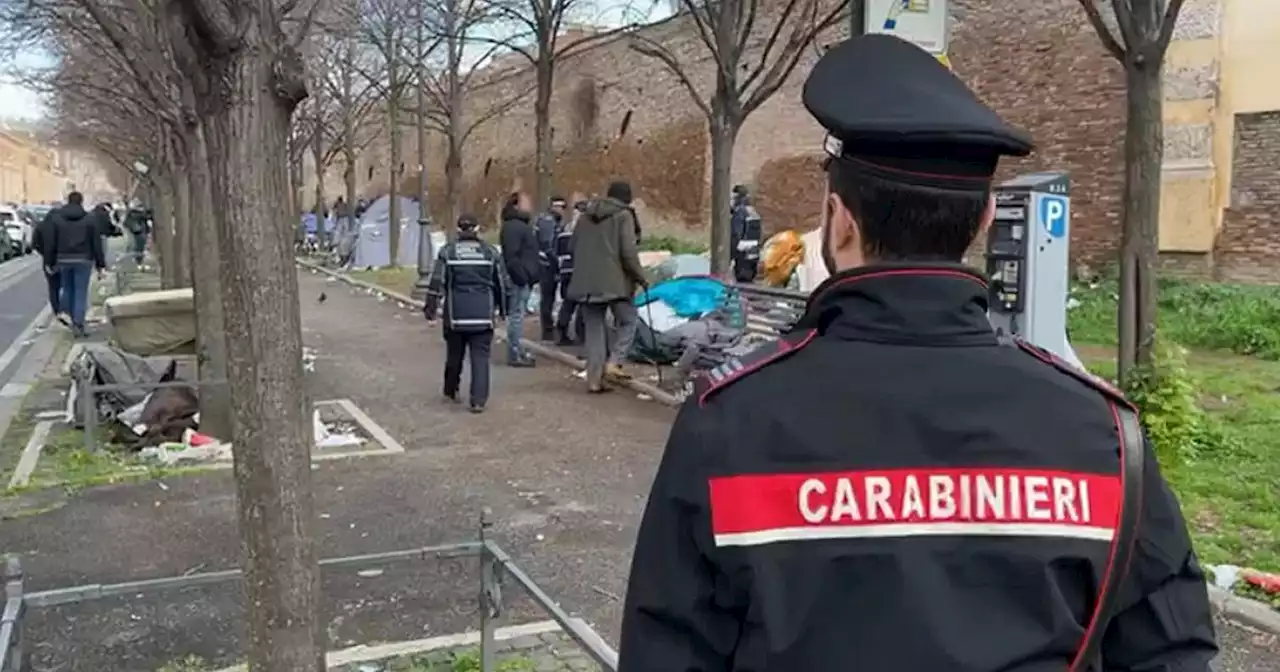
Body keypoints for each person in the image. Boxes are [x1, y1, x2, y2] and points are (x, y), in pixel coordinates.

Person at [616, 34, 1217, 672]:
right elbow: (1169, 652)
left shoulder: (729, 423)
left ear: (839, 220)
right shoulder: (1107, 437)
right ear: (985, 219)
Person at [567, 181, 648, 393]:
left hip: (585, 283)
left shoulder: (584, 216)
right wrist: (641, 277)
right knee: (629, 320)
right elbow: (628, 252)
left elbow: (571, 246)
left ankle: (594, 381)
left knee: (594, 329)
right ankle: (615, 362)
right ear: (627, 198)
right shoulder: (624, 216)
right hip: (615, 282)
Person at [423, 214, 508, 413]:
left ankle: (451, 389)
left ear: (459, 229)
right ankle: (478, 399)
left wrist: (431, 308)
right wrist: (503, 309)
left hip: (456, 313)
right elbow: (501, 284)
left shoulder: (449, 251)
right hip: (483, 313)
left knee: (454, 354)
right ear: (477, 229)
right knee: (481, 357)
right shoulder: (490, 252)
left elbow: (437, 281)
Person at [45, 192, 105, 337]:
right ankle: (78, 322)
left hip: (63, 259)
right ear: (81, 202)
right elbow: (96, 243)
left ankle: (66, 312)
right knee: (80, 291)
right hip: (84, 259)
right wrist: (100, 264)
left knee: (67, 288)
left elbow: (51, 242)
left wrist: (49, 261)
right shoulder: (90, 219)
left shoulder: (57, 219)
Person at [499, 191, 540, 367]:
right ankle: (514, 353)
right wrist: (523, 277)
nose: (530, 205)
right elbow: (512, 256)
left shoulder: (517, 225)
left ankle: (516, 350)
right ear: (516, 205)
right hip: (520, 278)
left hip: (523, 276)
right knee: (517, 315)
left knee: (518, 315)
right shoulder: (514, 227)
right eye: (526, 202)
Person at [553, 200, 586, 346]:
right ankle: (581, 333)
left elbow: (557, 252)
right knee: (583, 304)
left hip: (565, 271)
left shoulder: (564, 229)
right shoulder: (585, 229)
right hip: (579, 271)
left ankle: (561, 330)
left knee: (568, 303)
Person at [535, 195, 567, 341]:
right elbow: (548, 246)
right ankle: (547, 329)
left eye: (563, 207)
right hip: (547, 265)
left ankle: (549, 328)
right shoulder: (548, 222)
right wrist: (556, 263)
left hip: (548, 263)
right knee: (548, 297)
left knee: (550, 297)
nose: (562, 210)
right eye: (559, 207)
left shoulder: (553, 221)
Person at [30, 203, 63, 323]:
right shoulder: (62, 225)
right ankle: (64, 308)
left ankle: (56, 310)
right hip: (62, 258)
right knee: (65, 285)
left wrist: (43, 253)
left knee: (53, 287)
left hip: (48, 261)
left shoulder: (41, 226)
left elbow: (34, 244)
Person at [729, 185, 762, 282]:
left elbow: (735, 235)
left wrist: (729, 256)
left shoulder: (739, 213)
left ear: (737, 198)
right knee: (749, 284)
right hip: (754, 253)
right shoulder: (753, 211)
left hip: (742, 255)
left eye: (733, 198)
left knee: (741, 286)